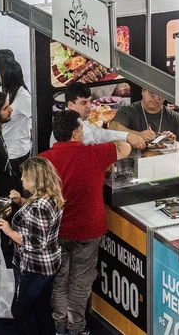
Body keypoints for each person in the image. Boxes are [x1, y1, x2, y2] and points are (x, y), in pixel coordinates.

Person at [40, 111, 131, 335]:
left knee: (60, 279)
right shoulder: (94, 154)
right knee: (80, 282)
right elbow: (125, 147)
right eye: (82, 128)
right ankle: (77, 328)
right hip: (88, 229)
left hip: (56, 230)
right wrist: (99, 135)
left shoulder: (43, 160)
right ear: (75, 132)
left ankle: (60, 325)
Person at [0, 157, 64, 335]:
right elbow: (38, 215)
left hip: (35, 267)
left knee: (21, 310)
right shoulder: (51, 198)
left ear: (35, 179)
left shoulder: (38, 206)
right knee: (41, 308)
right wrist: (20, 201)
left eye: (24, 176)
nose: (21, 179)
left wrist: (9, 231)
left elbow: (35, 243)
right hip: (49, 264)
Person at [53, 82, 146, 149]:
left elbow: (95, 132)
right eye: (84, 103)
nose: (89, 106)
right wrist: (127, 136)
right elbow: (96, 136)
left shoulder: (79, 119)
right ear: (70, 105)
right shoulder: (67, 124)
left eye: (89, 101)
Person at [108, 88, 179, 143]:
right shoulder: (128, 111)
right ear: (143, 91)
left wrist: (175, 144)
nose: (156, 98)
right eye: (152, 93)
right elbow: (113, 127)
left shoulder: (174, 117)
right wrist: (138, 135)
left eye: (160, 95)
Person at [0, 58, 33, 170]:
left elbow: (36, 119)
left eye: (0, 74)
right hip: (6, 150)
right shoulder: (7, 92)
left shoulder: (23, 96)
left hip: (18, 154)